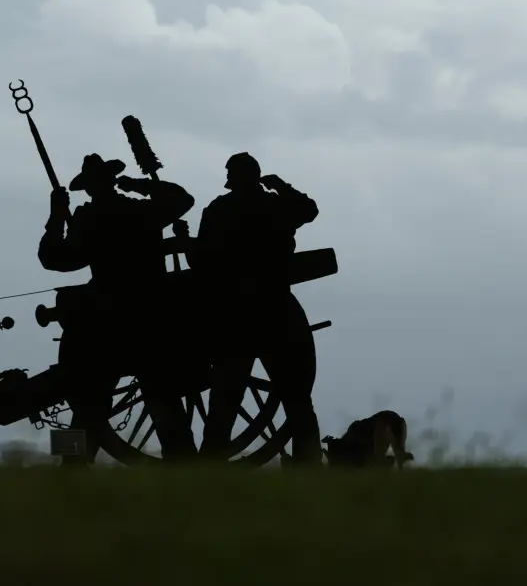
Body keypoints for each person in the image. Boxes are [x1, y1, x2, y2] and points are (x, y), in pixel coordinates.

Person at [38, 153, 198, 464]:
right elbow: (183, 199)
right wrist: (140, 186)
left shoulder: (87, 218)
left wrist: (57, 215)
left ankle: (69, 471)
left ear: (88, 189)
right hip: (149, 318)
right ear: (113, 181)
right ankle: (188, 471)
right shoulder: (141, 211)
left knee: (86, 407)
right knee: (165, 403)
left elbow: (54, 259)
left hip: (104, 321)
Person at [193, 152, 323, 465]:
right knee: (296, 399)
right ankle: (308, 465)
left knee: (224, 402)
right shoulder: (276, 206)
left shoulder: (218, 210)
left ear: (231, 180)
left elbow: (200, 262)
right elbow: (309, 210)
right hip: (277, 307)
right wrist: (281, 186)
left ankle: (208, 468)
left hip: (235, 315)